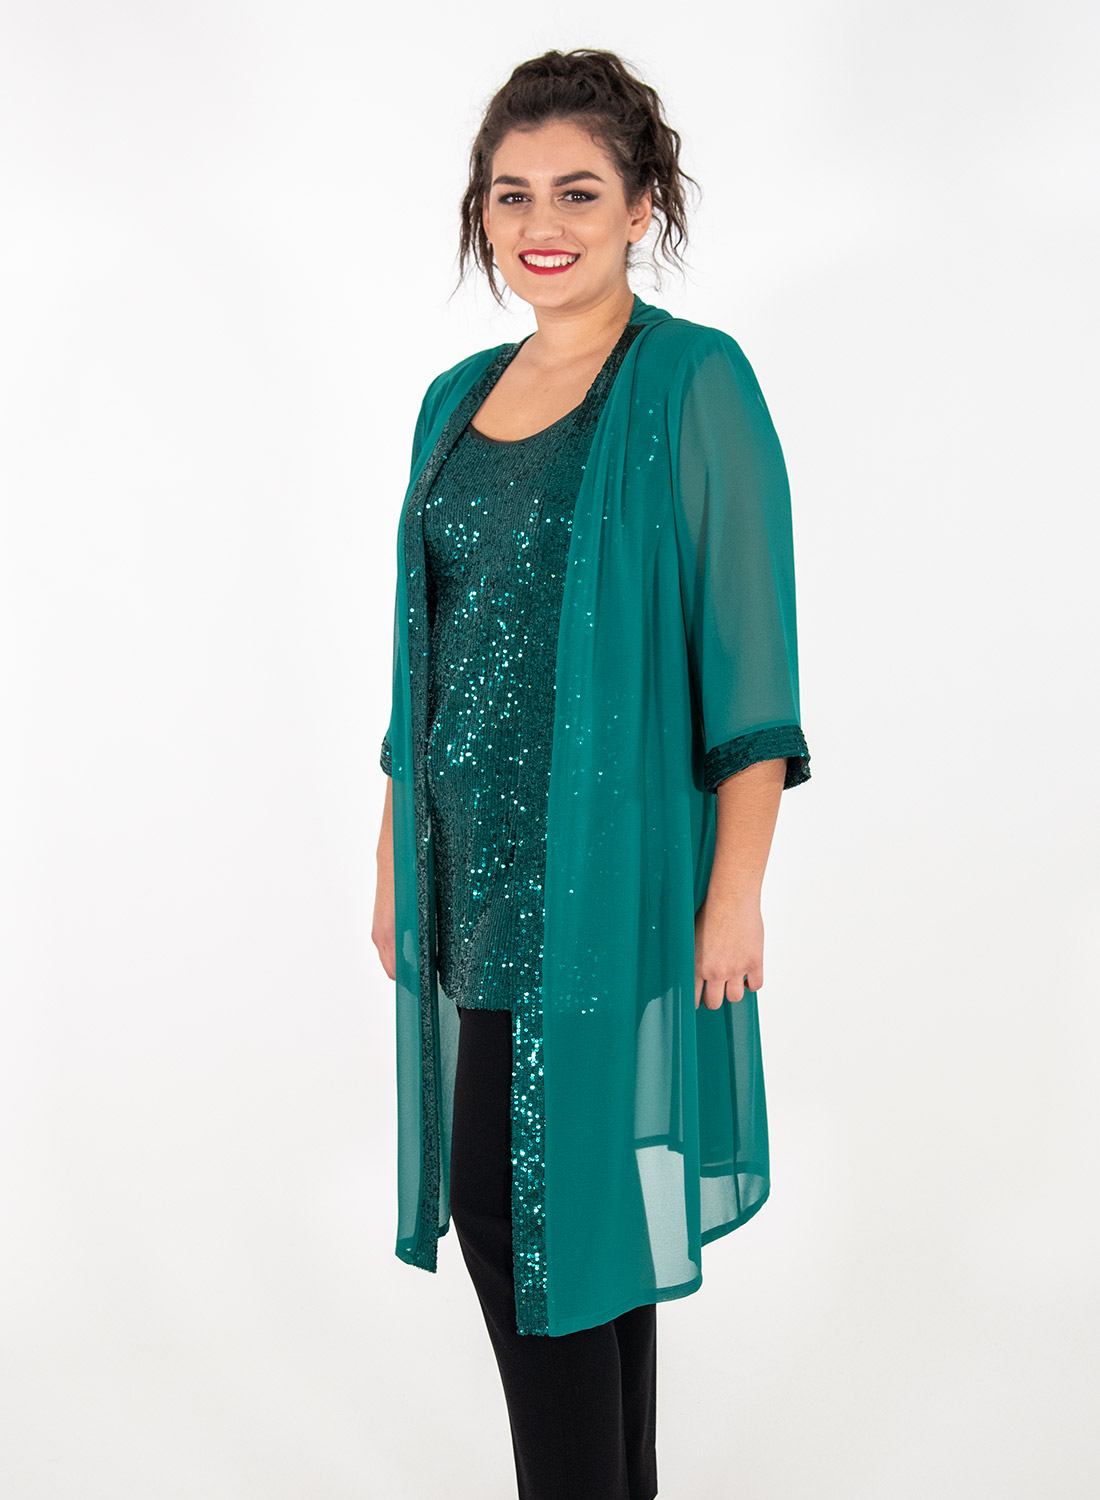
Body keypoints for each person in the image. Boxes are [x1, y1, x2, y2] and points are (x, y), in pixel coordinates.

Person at [372, 47, 813, 1500]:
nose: (539, 222)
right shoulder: (453, 398)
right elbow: (426, 653)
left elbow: (749, 666)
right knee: (574, 1229)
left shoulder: (691, 380)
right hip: (470, 880)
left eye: (577, 191)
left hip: (609, 880)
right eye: (511, 195)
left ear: (641, 209)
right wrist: (390, 848)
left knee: (534, 1216)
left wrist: (735, 893)